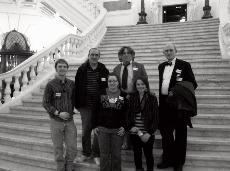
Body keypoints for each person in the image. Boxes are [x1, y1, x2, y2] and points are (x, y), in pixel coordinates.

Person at [157, 43, 197, 171]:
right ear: (164, 53)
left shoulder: (184, 65)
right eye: (166, 51)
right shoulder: (161, 66)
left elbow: (192, 84)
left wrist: (176, 93)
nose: (168, 52)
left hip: (179, 107)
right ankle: (167, 159)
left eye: (170, 50)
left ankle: (178, 163)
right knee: (166, 134)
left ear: (175, 51)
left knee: (180, 134)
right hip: (164, 105)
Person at [74, 48, 109, 165]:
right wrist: (76, 104)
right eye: (92, 54)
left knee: (98, 130)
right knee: (86, 130)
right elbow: (77, 87)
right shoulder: (82, 69)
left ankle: (96, 153)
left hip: (99, 106)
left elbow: (107, 87)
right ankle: (86, 153)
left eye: (96, 55)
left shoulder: (103, 69)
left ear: (99, 56)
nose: (94, 56)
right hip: (85, 105)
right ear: (88, 55)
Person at [43, 59, 77, 171]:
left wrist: (76, 108)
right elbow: (45, 103)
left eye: (64, 66)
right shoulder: (50, 85)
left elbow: (76, 99)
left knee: (72, 147)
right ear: (56, 68)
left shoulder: (72, 84)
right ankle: (60, 167)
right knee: (58, 147)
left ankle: (70, 165)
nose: (62, 68)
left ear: (67, 69)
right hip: (56, 121)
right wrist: (58, 113)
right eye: (60, 66)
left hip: (70, 122)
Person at [113, 46, 148, 149]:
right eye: (123, 53)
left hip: (136, 96)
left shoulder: (139, 66)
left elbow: (145, 82)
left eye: (129, 53)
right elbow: (115, 84)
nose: (126, 55)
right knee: (123, 119)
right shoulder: (116, 68)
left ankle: (134, 142)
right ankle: (124, 141)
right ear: (120, 56)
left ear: (132, 55)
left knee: (134, 120)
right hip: (122, 96)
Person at [93, 73, 127, 171]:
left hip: (118, 131)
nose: (112, 83)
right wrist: (94, 125)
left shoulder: (123, 95)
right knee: (104, 155)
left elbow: (127, 113)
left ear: (118, 82)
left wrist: (124, 127)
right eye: (110, 81)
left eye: (114, 81)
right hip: (103, 130)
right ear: (107, 82)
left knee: (116, 155)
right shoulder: (100, 93)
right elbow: (95, 110)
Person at [127, 76, 159, 171]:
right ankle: (139, 169)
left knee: (149, 155)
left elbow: (156, 117)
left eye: (142, 84)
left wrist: (149, 133)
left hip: (147, 133)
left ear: (146, 85)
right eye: (138, 84)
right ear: (135, 86)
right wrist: (131, 127)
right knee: (137, 154)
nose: (140, 86)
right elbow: (128, 115)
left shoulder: (152, 98)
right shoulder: (131, 97)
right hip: (135, 132)